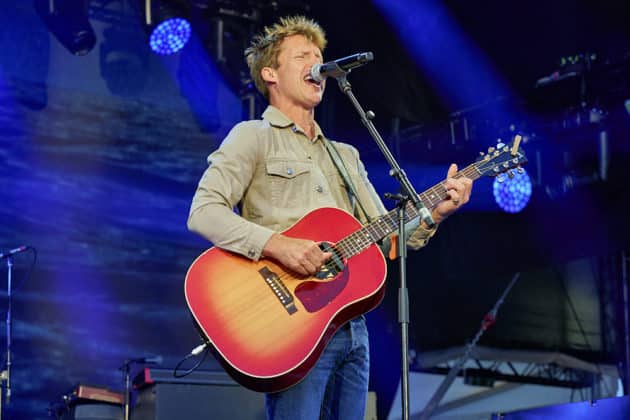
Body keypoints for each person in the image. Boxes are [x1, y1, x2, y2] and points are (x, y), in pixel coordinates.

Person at [187, 15, 473, 420]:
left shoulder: (346, 156)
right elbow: (204, 213)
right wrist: (280, 246)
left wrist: (436, 213)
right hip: (290, 322)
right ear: (270, 73)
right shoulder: (252, 136)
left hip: (351, 323)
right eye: (302, 55)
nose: (316, 63)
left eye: (319, 57)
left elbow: (390, 238)